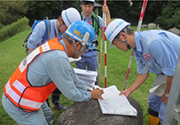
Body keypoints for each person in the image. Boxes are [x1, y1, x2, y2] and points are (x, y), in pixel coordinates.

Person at [2, 20, 104, 125]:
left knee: (48, 116)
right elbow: (71, 93)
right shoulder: (58, 57)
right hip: (17, 101)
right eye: (85, 48)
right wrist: (90, 95)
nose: (84, 52)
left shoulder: (56, 45)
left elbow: (72, 75)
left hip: (25, 91)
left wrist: (88, 90)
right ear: (78, 45)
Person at [105, 18, 180, 125]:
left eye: (115, 43)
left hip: (175, 73)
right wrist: (129, 90)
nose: (117, 47)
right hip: (168, 73)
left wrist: (167, 95)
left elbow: (171, 72)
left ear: (123, 36)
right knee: (154, 100)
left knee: (165, 109)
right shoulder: (137, 47)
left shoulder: (153, 43)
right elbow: (143, 73)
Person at [27, 7, 81, 110]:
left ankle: (56, 103)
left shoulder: (64, 32)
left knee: (57, 82)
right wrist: (44, 62)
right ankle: (45, 105)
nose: (68, 32)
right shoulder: (42, 27)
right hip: (40, 62)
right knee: (44, 84)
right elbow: (31, 46)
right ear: (61, 21)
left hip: (54, 61)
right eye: (68, 29)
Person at [75, 0, 111, 75]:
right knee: (80, 75)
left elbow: (108, 28)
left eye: (90, 6)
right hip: (79, 51)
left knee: (93, 75)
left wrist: (107, 13)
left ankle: (94, 86)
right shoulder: (77, 18)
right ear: (81, 6)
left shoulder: (97, 19)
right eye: (85, 6)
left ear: (93, 7)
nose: (87, 9)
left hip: (92, 51)